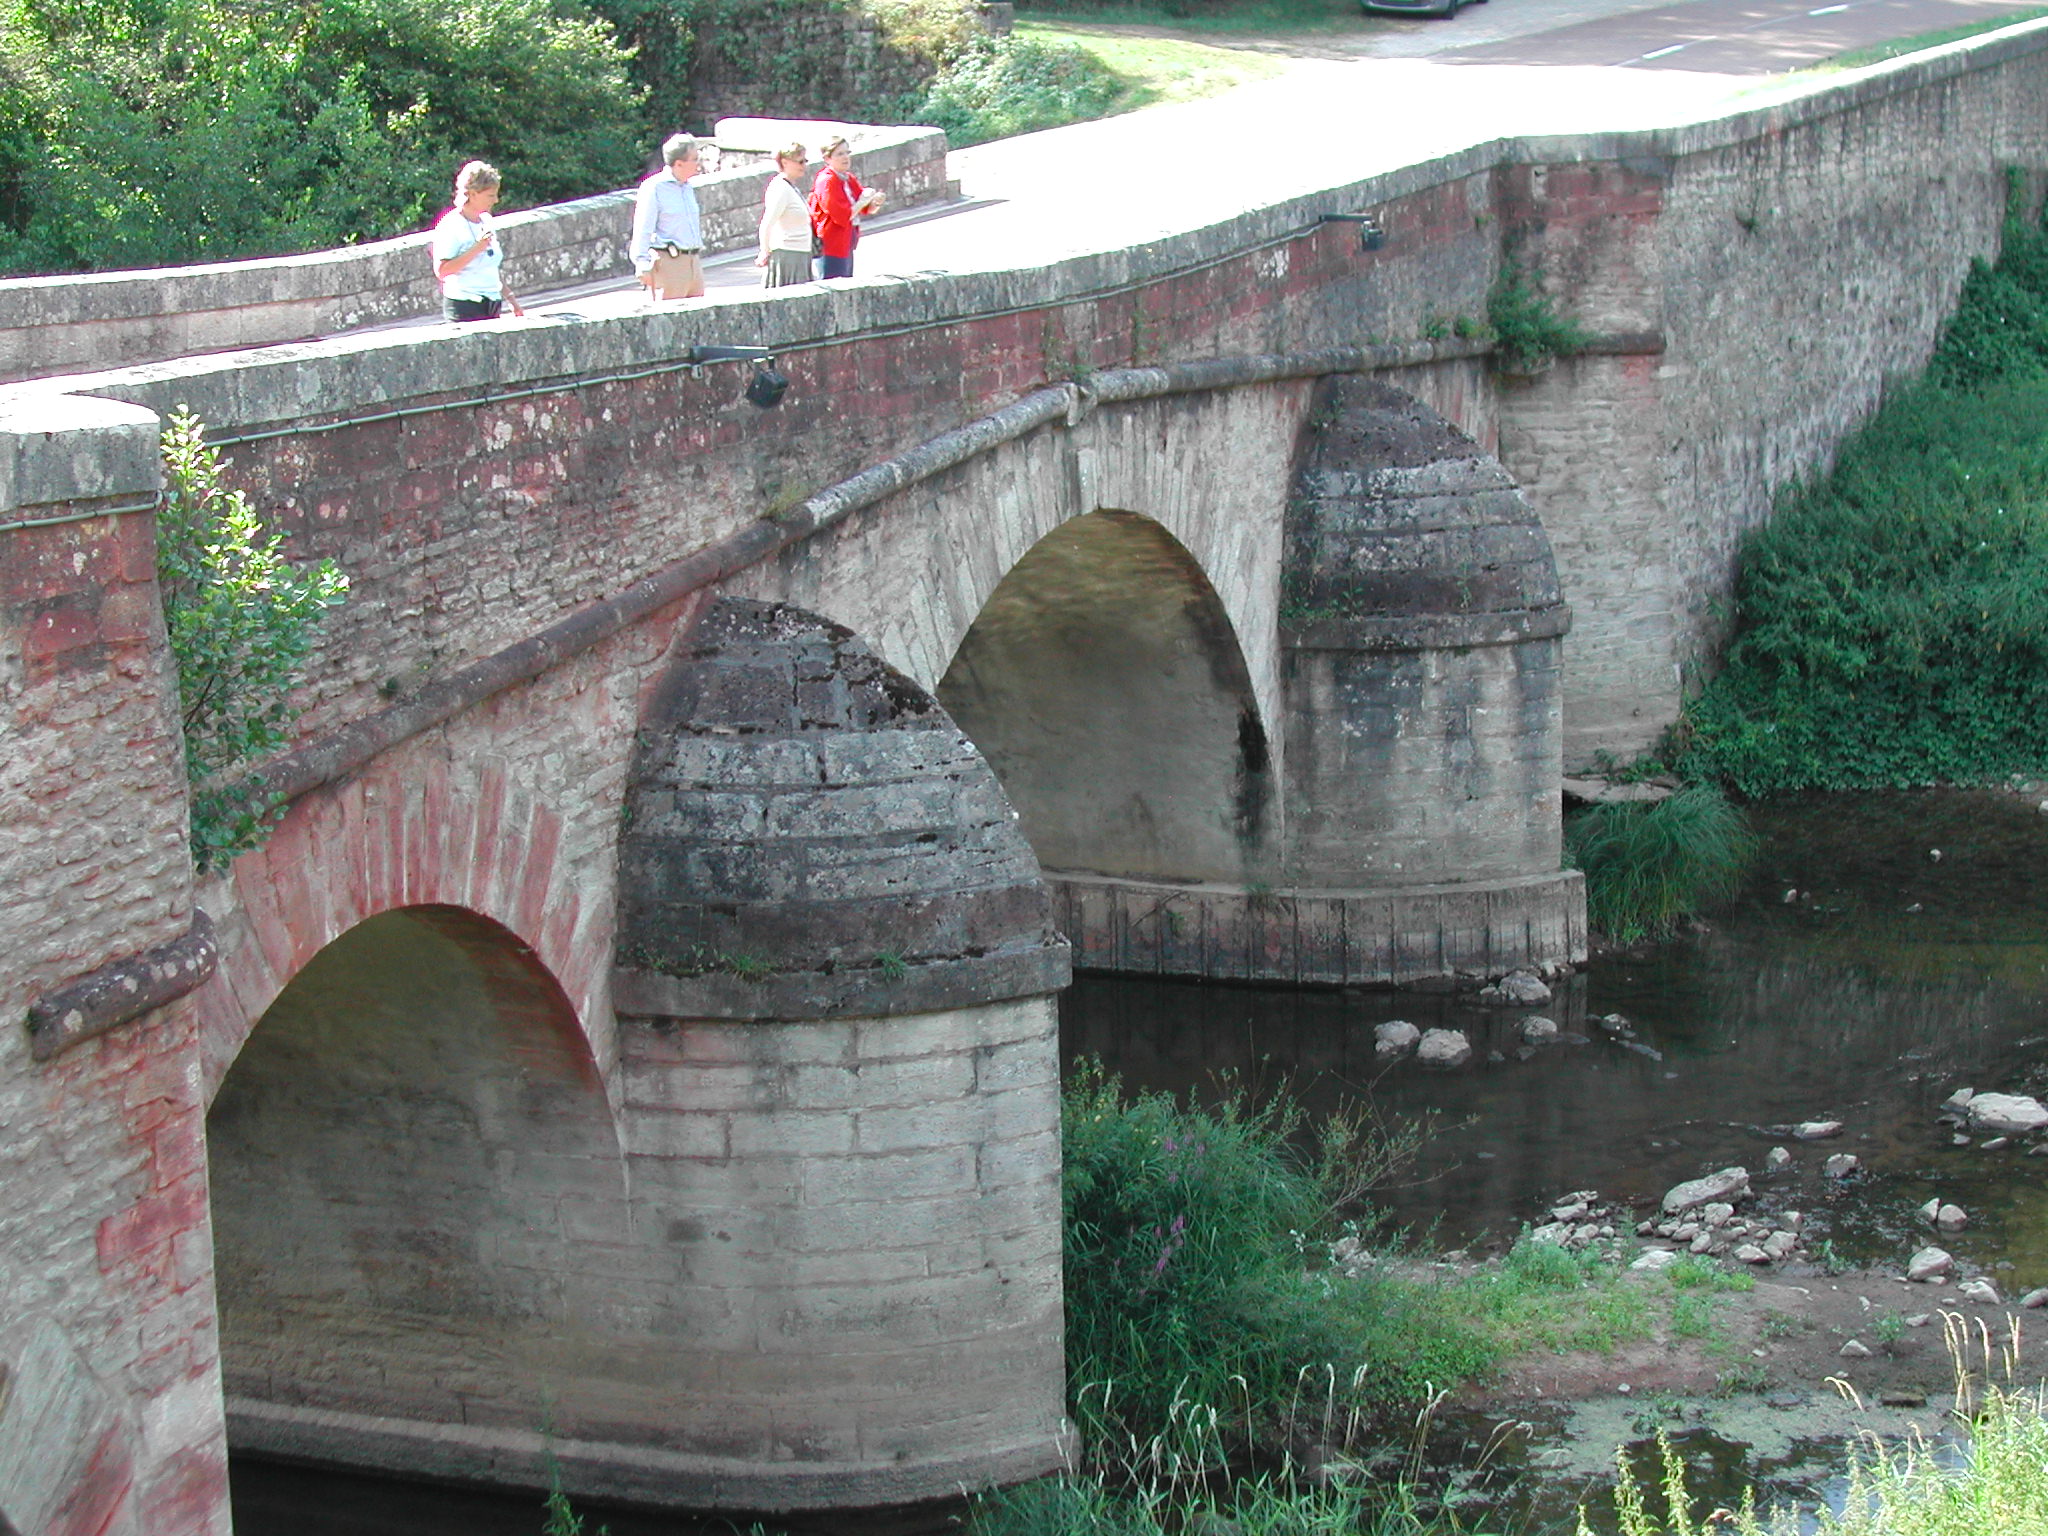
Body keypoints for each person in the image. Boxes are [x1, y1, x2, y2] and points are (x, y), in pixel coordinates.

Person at [432, 161, 524, 323]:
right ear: (473, 194)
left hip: (492, 303)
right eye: (490, 195)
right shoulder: (451, 224)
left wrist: (511, 299)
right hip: (464, 306)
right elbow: (442, 271)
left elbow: (489, 265)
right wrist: (476, 248)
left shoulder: (486, 220)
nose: (496, 200)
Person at [631, 133, 706, 302]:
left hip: (693, 262)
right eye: (694, 159)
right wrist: (641, 263)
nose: (698, 163)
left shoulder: (687, 187)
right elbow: (643, 227)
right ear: (679, 163)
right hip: (669, 263)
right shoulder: (654, 188)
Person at [808, 136, 881, 281]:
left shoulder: (847, 178)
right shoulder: (827, 181)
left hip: (846, 242)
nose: (846, 157)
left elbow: (866, 209)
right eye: (840, 154)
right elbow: (841, 215)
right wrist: (862, 201)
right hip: (831, 245)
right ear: (827, 158)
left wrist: (875, 202)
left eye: (847, 153)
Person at [756, 143, 813, 290]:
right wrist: (764, 251)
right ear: (785, 162)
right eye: (800, 161)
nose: (804, 166)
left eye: (805, 161)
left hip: (800, 254)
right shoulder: (780, 188)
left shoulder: (790, 187)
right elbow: (767, 223)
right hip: (787, 255)